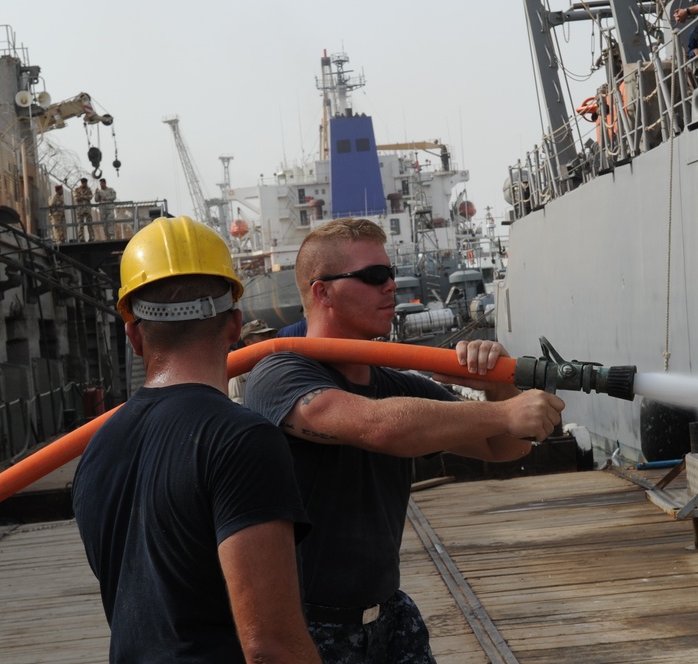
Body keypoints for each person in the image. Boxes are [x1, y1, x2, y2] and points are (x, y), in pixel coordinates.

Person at [244, 217, 565, 663]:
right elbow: (377, 426)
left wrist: (498, 386)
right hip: (306, 627)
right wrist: (504, 411)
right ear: (323, 292)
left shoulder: (397, 384)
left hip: (388, 617)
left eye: (390, 273)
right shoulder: (279, 373)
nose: (391, 286)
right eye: (375, 276)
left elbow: (503, 449)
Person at [73, 215, 320, 663]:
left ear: (133, 334)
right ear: (234, 324)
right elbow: (270, 646)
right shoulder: (241, 442)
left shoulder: (97, 450)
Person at [228, 319, 279, 403]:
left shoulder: (276, 362)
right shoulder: (240, 374)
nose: (268, 339)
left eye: (269, 335)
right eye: (262, 335)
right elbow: (237, 402)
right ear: (248, 342)